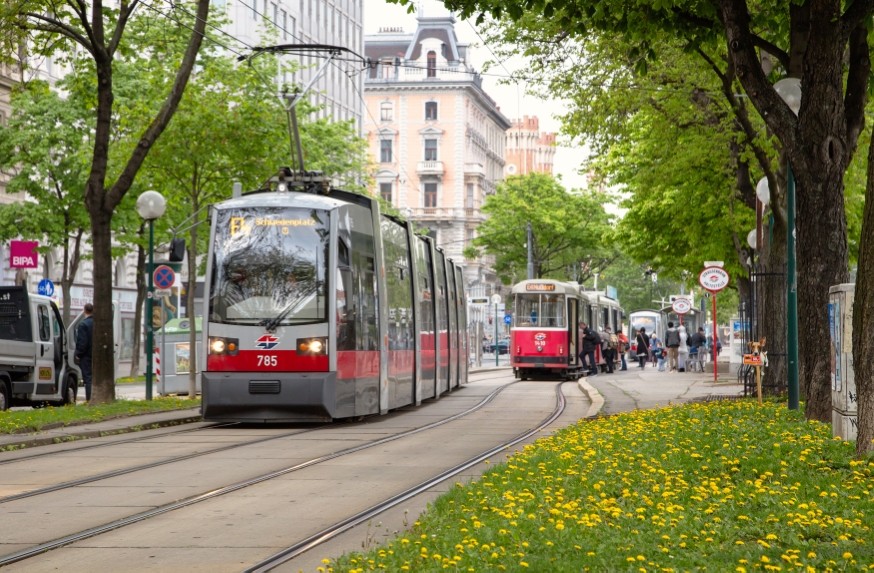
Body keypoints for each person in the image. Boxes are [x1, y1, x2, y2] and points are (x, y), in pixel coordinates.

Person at [75, 303, 94, 401]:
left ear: (84, 310)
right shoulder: (98, 323)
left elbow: (83, 342)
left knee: (88, 379)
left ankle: (89, 400)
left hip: (86, 355)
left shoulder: (83, 324)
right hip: (96, 355)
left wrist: (78, 354)